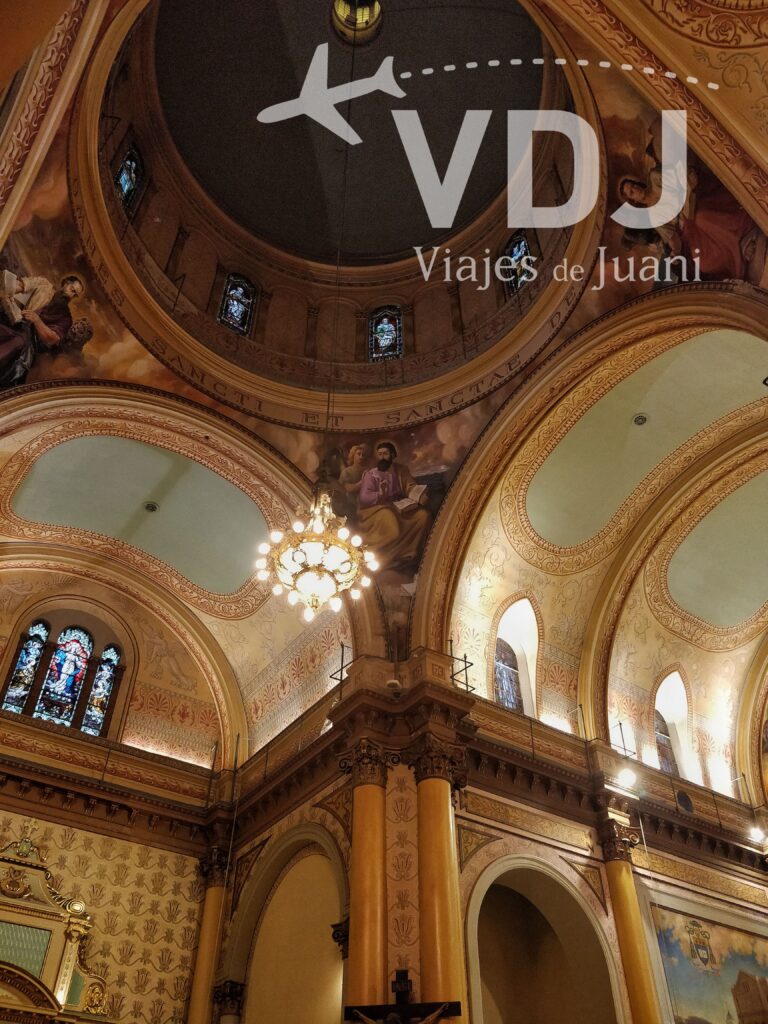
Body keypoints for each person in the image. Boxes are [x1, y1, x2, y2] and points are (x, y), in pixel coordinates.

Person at [0, 274, 88, 388]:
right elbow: (17, 286)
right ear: (66, 283)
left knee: (19, 342)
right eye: (72, 290)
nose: (71, 295)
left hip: (30, 343)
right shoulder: (43, 285)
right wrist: (8, 292)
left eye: (75, 294)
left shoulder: (66, 318)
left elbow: (52, 338)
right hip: (16, 322)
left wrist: (36, 320)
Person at [356, 441, 431, 571]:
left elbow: (410, 486)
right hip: (376, 509)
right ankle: (375, 557)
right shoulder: (371, 474)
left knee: (423, 516)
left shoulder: (401, 470)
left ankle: (408, 554)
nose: (382, 457)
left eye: (385, 453)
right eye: (379, 454)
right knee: (392, 524)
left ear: (393, 455)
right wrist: (380, 494)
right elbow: (364, 498)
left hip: (398, 506)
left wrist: (419, 496)